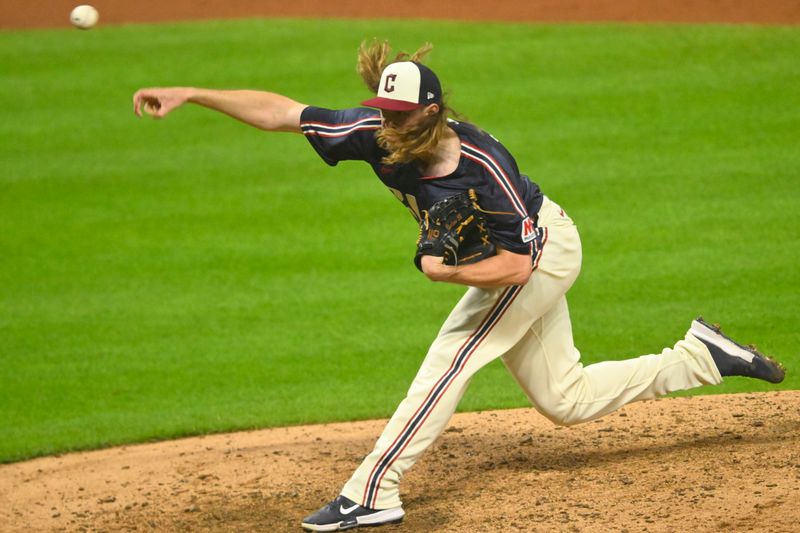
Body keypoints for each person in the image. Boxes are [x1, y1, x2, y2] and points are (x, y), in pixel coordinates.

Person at [133, 40, 785, 532]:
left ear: (434, 113)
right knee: (567, 398)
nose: (386, 126)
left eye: (400, 116)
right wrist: (194, 92)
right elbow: (283, 112)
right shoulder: (377, 134)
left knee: (455, 354)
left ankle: (373, 489)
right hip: (516, 259)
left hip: (541, 251)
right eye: (382, 112)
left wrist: (446, 271)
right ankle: (701, 356)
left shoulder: (483, 173)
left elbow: (518, 267)